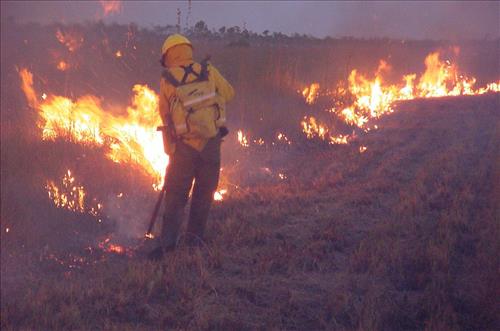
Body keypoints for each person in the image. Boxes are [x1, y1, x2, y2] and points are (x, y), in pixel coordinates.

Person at [149, 34, 234, 260]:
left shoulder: (168, 78)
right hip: (211, 144)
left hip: (184, 148)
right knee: (204, 193)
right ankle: (194, 240)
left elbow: (165, 115)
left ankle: (168, 243)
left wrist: (171, 147)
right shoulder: (207, 70)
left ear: (167, 54)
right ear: (188, 50)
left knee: (176, 195)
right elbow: (228, 93)